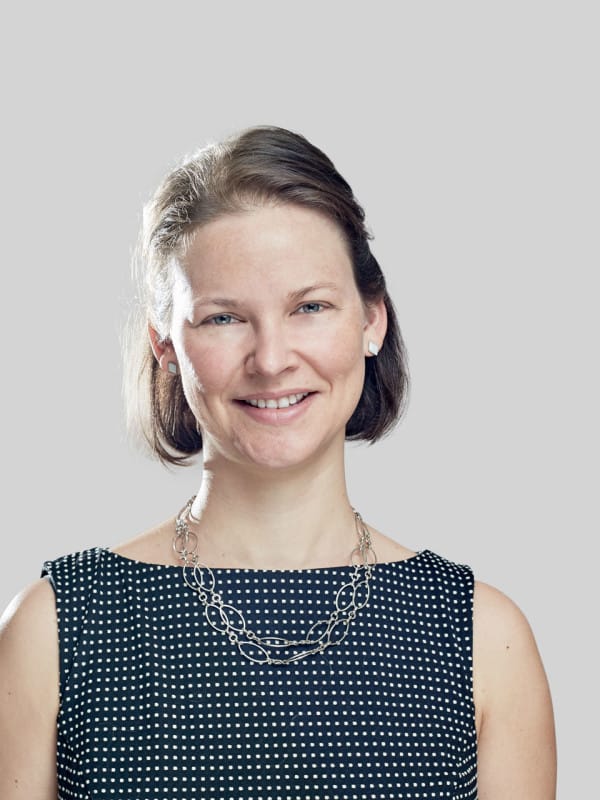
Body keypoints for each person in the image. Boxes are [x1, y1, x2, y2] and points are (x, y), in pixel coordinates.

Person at [0, 126, 556, 799]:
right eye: (224, 318)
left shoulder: (481, 637)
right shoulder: (56, 628)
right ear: (165, 344)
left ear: (372, 321)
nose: (271, 360)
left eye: (310, 307)